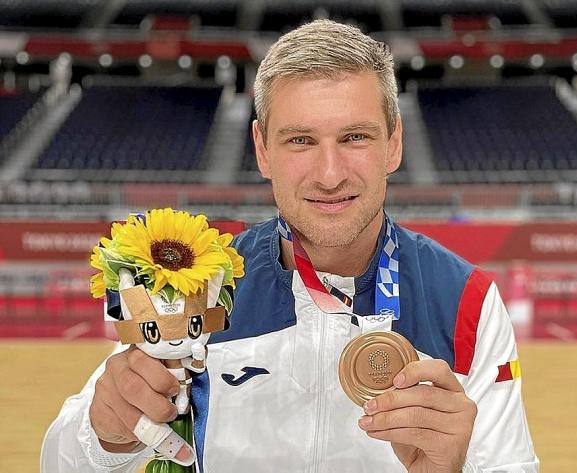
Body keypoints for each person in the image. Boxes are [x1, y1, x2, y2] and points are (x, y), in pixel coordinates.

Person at [41, 19, 539, 472]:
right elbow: (62, 461)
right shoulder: (202, 283)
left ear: (394, 142)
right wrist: (106, 437)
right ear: (262, 150)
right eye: (300, 140)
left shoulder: (465, 300)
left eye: (355, 137)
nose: (329, 174)